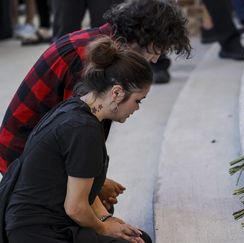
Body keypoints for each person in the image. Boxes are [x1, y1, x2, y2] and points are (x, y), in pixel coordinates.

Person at [0, 0, 191, 211]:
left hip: (39, 148)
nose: (155, 60)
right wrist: (95, 194)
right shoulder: (89, 57)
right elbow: (71, 136)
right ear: (141, 36)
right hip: (21, 158)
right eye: (156, 50)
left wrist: (96, 184)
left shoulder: (103, 47)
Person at [2, 36, 153, 243]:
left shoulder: (76, 108)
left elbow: (83, 192)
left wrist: (106, 219)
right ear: (117, 92)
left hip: (38, 221)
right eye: (138, 100)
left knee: (137, 237)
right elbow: (75, 208)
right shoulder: (84, 129)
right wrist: (104, 227)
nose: (137, 108)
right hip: (38, 231)